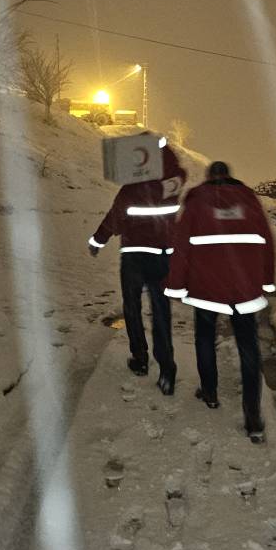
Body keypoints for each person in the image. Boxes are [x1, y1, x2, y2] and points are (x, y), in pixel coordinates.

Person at [164, 161, 275, 443]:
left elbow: (181, 246)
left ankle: (210, 392)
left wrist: (175, 286)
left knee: (204, 338)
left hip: (207, 288)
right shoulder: (249, 200)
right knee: (249, 349)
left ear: (209, 177)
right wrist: (266, 282)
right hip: (245, 290)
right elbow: (267, 241)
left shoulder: (197, 201)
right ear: (229, 176)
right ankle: (253, 417)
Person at [89, 138, 187, 395]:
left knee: (132, 307)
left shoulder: (131, 190)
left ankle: (140, 359)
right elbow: (178, 169)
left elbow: (115, 218)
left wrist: (98, 240)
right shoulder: (172, 186)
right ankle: (167, 368)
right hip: (163, 256)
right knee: (160, 310)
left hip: (134, 256)